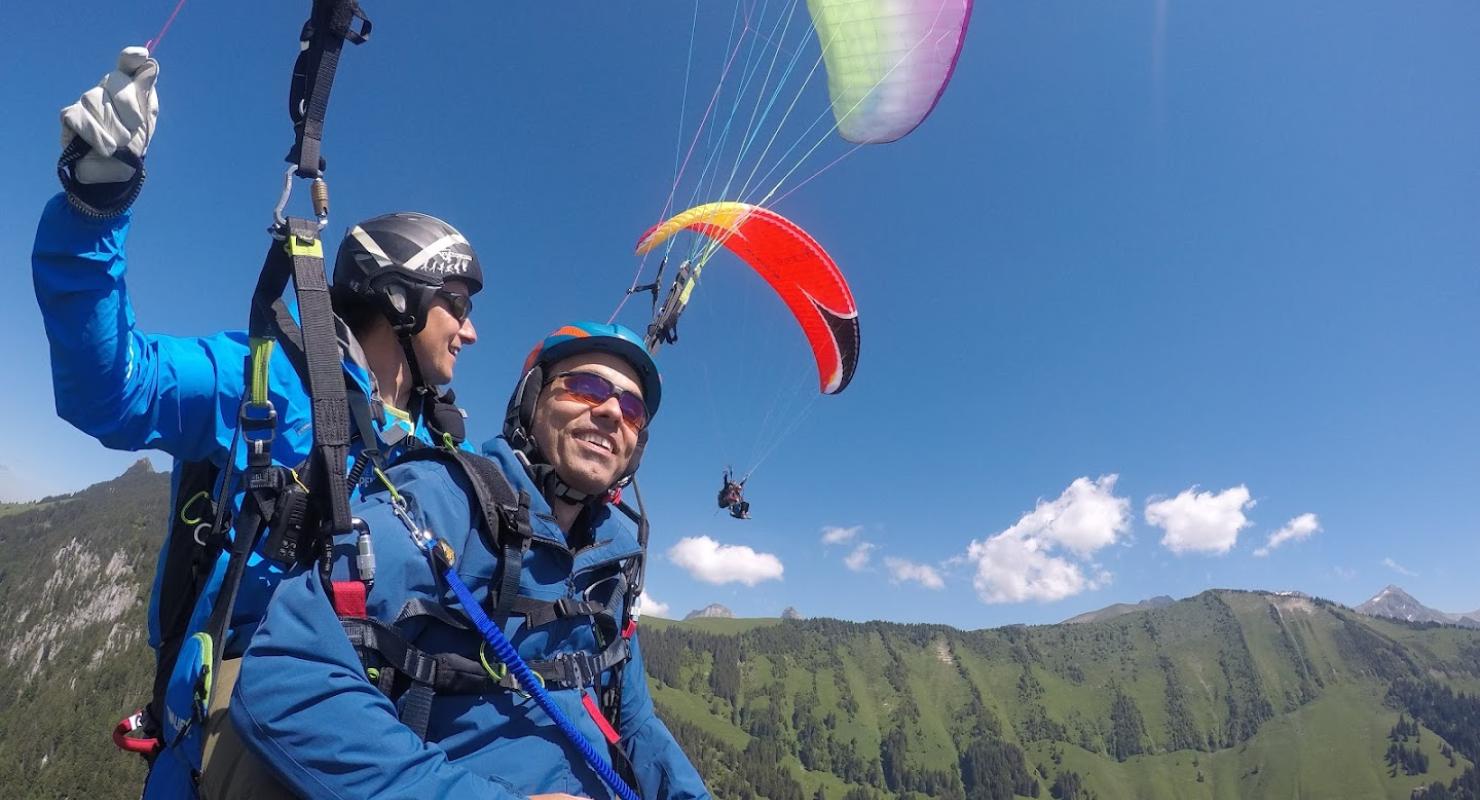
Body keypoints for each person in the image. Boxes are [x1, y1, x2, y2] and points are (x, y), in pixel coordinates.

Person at [33, 47, 485, 797]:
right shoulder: (268, 380)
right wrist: (94, 205)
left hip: (380, 730)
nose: (469, 334)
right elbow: (111, 388)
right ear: (403, 301)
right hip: (244, 728)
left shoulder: (441, 448)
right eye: (458, 308)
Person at [231, 322, 711, 799]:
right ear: (533, 398)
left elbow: (636, 724)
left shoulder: (612, 565)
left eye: (632, 410)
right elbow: (287, 674)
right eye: (586, 388)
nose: (610, 412)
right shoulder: (445, 502)